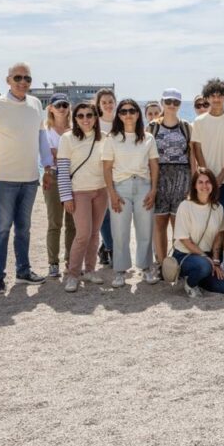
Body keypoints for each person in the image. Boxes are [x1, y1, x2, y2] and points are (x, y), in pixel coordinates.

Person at [0, 63, 53, 293]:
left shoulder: (35, 105)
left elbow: (42, 138)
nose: (23, 82)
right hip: (4, 179)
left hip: (31, 178)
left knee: (24, 228)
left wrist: (48, 167)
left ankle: (23, 272)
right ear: (8, 80)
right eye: (18, 78)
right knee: (2, 228)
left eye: (27, 79)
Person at [102, 98, 160, 288]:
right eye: (124, 111)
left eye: (132, 111)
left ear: (138, 113)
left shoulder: (148, 137)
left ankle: (145, 268)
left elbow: (154, 165)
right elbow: (107, 168)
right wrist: (112, 194)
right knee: (120, 232)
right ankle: (120, 271)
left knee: (145, 230)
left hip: (143, 186)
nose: (128, 114)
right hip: (121, 188)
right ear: (119, 115)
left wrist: (153, 190)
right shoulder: (112, 138)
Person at [57, 101, 107, 293]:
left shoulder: (104, 138)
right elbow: (62, 170)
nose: (85, 119)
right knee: (83, 234)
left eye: (89, 115)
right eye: (80, 116)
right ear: (75, 118)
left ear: (95, 117)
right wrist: (66, 197)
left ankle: (90, 269)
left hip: (100, 190)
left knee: (95, 233)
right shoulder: (67, 139)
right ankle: (73, 274)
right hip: (79, 192)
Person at [149, 88, 193, 269]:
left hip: (182, 177)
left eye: (176, 102)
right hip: (159, 176)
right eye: (168, 102)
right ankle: (161, 264)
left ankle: (177, 264)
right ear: (162, 103)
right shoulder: (152, 126)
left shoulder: (186, 126)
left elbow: (191, 156)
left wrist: (192, 183)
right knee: (159, 223)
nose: (172, 105)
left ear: (180, 104)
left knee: (178, 225)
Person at [172, 168, 224, 296]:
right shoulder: (185, 206)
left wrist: (215, 261)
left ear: (213, 185)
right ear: (194, 185)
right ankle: (189, 284)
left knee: (223, 287)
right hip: (184, 255)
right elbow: (184, 240)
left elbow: (219, 236)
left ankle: (199, 277)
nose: (204, 185)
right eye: (200, 182)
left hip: (207, 257)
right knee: (204, 266)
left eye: (208, 182)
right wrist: (205, 258)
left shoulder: (218, 208)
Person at [191, 78, 224, 213]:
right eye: (213, 96)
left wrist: (221, 176)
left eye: (220, 96)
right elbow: (197, 149)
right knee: (208, 220)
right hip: (207, 182)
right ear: (207, 98)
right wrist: (208, 176)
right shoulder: (199, 121)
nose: (216, 99)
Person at [43, 93, 76, 277]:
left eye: (65, 104)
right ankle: (53, 263)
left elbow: (61, 155)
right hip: (53, 177)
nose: (62, 108)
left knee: (73, 224)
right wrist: (62, 154)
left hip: (74, 178)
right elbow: (48, 157)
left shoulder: (75, 129)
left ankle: (71, 260)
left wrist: (58, 154)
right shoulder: (45, 131)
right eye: (58, 105)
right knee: (54, 222)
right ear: (51, 108)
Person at [94, 88, 117, 267]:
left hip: (119, 173)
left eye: (110, 101)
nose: (108, 105)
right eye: (104, 102)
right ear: (99, 105)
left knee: (117, 213)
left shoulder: (121, 122)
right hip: (98, 173)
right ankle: (111, 248)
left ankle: (104, 247)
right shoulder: (94, 123)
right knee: (104, 214)